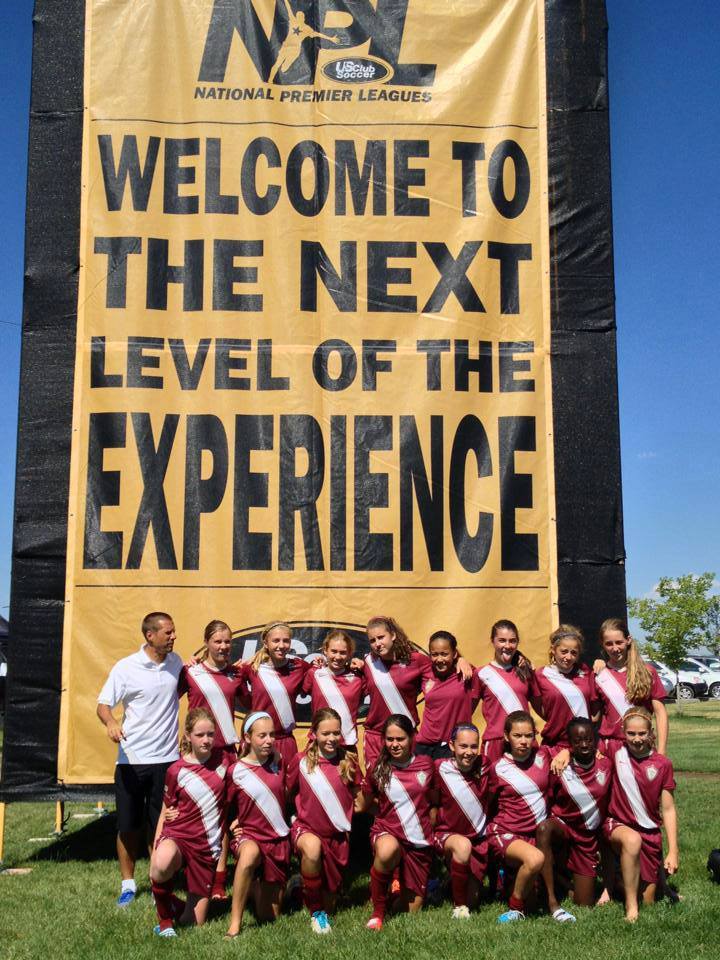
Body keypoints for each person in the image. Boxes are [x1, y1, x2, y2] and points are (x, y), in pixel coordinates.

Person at [96, 611, 183, 906]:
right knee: (128, 825)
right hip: (132, 760)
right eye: (168, 633)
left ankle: (158, 881)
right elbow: (103, 704)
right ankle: (128, 884)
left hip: (168, 760)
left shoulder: (177, 662)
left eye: (173, 632)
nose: (174, 636)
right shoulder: (126, 667)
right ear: (150, 635)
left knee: (160, 826)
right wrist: (110, 723)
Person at [178, 618, 248, 898]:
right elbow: (166, 699)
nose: (223, 646)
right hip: (197, 757)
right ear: (206, 643)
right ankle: (192, 874)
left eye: (228, 641)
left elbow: (255, 706)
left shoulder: (236, 674)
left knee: (223, 819)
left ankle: (219, 882)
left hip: (226, 755)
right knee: (194, 817)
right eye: (218, 641)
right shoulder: (190, 672)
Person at [149, 708, 229, 937]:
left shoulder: (225, 763)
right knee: (162, 862)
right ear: (187, 736)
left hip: (206, 847)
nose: (206, 740)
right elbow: (165, 812)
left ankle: (171, 903)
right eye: (200, 735)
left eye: (211, 734)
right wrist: (155, 850)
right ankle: (164, 922)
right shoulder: (175, 771)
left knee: (194, 922)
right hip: (178, 835)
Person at [356, 616, 471, 768]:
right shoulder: (368, 662)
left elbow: (443, 660)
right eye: (372, 640)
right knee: (376, 786)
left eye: (381, 637)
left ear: (393, 635)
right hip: (376, 735)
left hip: (406, 736)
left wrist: (461, 659)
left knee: (409, 786)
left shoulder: (416, 660)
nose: (377, 644)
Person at [286, 708, 361, 933]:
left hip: (337, 837)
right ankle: (316, 914)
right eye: (325, 733)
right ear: (314, 733)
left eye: (336, 733)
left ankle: (300, 888)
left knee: (331, 903)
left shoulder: (349, 762)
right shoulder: (300, 761)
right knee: (312, 848)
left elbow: (360, 800)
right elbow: (288, 793)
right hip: (307, 830)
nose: (331, 739)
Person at [357, 714, 435, 930]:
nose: (394, 744)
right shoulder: (378, 768)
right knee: (387, 849)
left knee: (410, 909)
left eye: (400, 739)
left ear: (412, 738)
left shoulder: (426, 765)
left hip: (418, 840)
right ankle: (378, 913)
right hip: (387, 832)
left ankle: (393, 888)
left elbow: (434, 801)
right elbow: (363, 804)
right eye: (390, 739)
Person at [601, 706, 678, 922]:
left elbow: (669, 809)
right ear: (623, 733)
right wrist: (564, 752)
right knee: (632, 840)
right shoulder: (615, 751)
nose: (636, 739)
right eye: (631, 733)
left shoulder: (663, 764)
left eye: (642, 733)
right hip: (617, 825)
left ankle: (621, 880)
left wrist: (673, 850)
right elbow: (583, 741)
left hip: (649, 833)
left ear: (651, 732)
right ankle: (630, 906)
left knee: (650, 900)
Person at [536, 718, 612, 921]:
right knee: (544, 828)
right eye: (577, 741)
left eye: (588, 739)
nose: (584, 744)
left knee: (584, 903)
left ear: (595, 739)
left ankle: (559, 878)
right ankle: (551, 899)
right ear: (569, 743)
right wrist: (565, 753)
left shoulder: (606, 764)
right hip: (564, 828)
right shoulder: (560, 766)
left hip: (587, 840)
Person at [225, 712, 290, 938]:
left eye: (272, 735)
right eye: (262, 735)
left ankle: (253, 888)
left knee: (268, 916)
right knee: (250, 854)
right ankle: (235, 923)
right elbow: (224, 806)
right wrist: (232, 825)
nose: (268, 740)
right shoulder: (236, 771)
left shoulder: (280, 763)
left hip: (278, 840)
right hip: (250, 837)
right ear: (247, 737)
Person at [486, 710, 549, 922]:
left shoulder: (544, 756)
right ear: (506, 736)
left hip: (534, 835)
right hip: (506, 832)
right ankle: (514, 908)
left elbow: (568, 748)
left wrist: (566, 753)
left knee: (536, 903)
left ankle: (508, 880)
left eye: (528, 735)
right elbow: (488, 803)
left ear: (535, 735)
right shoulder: (497, 768)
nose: (523, 741)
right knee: (535, 858)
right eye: (517, 735)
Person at [431, 723, 490, 917]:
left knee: (474, 898)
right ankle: (459, 907)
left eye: (474, 746)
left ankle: (445, 884)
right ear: (451, 745)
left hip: (478, 840)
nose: (469, 752)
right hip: (448, 835)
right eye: (463, 746)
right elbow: (432, 803)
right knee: (462, 845)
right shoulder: (439, 768)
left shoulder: (486, 765)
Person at [236, 621, 314, 766]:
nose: (281, 645)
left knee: (288, 787)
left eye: (286, 641)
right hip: (257, 741)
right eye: (276, 640)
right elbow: (234, 687)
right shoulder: (251, 667)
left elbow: (321, 675)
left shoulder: (299, 666)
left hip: (285, 741)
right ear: (266, 643)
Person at [594, 618, 669, 754]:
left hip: (641, 746)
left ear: (628, 640)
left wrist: (662, 750)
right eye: (609, 644)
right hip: (610, 748)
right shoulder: (599, 675)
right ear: (602, 644)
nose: (615, 648)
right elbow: (594, 717)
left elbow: (660, 712)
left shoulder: (647, 672)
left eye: (619, 642)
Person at [531, 625, 600, 750]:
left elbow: (595, 711)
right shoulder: (540, 675)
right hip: (555, 744)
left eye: (574, 653)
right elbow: (537, 705)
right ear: (553, 649)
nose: (568, 657)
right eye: (564, 651)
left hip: (583, 745)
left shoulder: (586, 673)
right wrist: (555, 719)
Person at [476, 620, 534, 764]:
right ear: (492, 641)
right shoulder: (482, 673)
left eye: (512, 641)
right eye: (502, 640)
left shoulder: (526, 672)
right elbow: (465, 709)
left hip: (523, 740)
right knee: (492, 785)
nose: (507, 646)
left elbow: (542, 706)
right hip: (496, 742)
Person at [415, 631, 481, 760]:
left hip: (451, 747)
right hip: (424, 746)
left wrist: (462, 659)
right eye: (434, 654)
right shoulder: (426, 672)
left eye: (444, 654)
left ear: (454, 654)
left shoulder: (467, 673)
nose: (439, 659)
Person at [302, 630, 366, 752]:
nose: (337, 657)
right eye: (334, 651)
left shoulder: (358, 677)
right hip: (318, 743)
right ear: (325, 650)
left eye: (342, 653)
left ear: (349, 654)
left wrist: (364, 667)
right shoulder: (314, 673)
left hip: (347, 745)